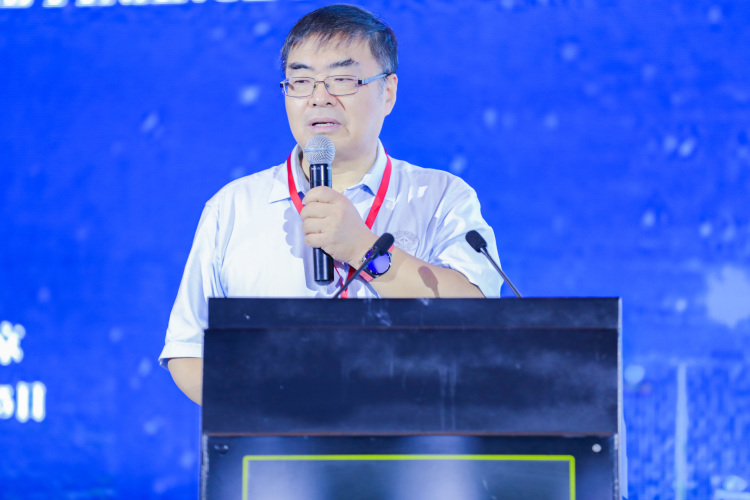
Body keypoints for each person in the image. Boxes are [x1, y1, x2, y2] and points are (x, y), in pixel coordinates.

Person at [160, 4, 502, 405]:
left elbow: (478, 321)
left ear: (388, 92)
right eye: (301, 81)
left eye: (342, 80)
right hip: (277, 439)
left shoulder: (440, 197)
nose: (319, 98)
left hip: (415, 433)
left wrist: (362, 248)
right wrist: (273, 415)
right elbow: (188, 351)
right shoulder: (233, 207)